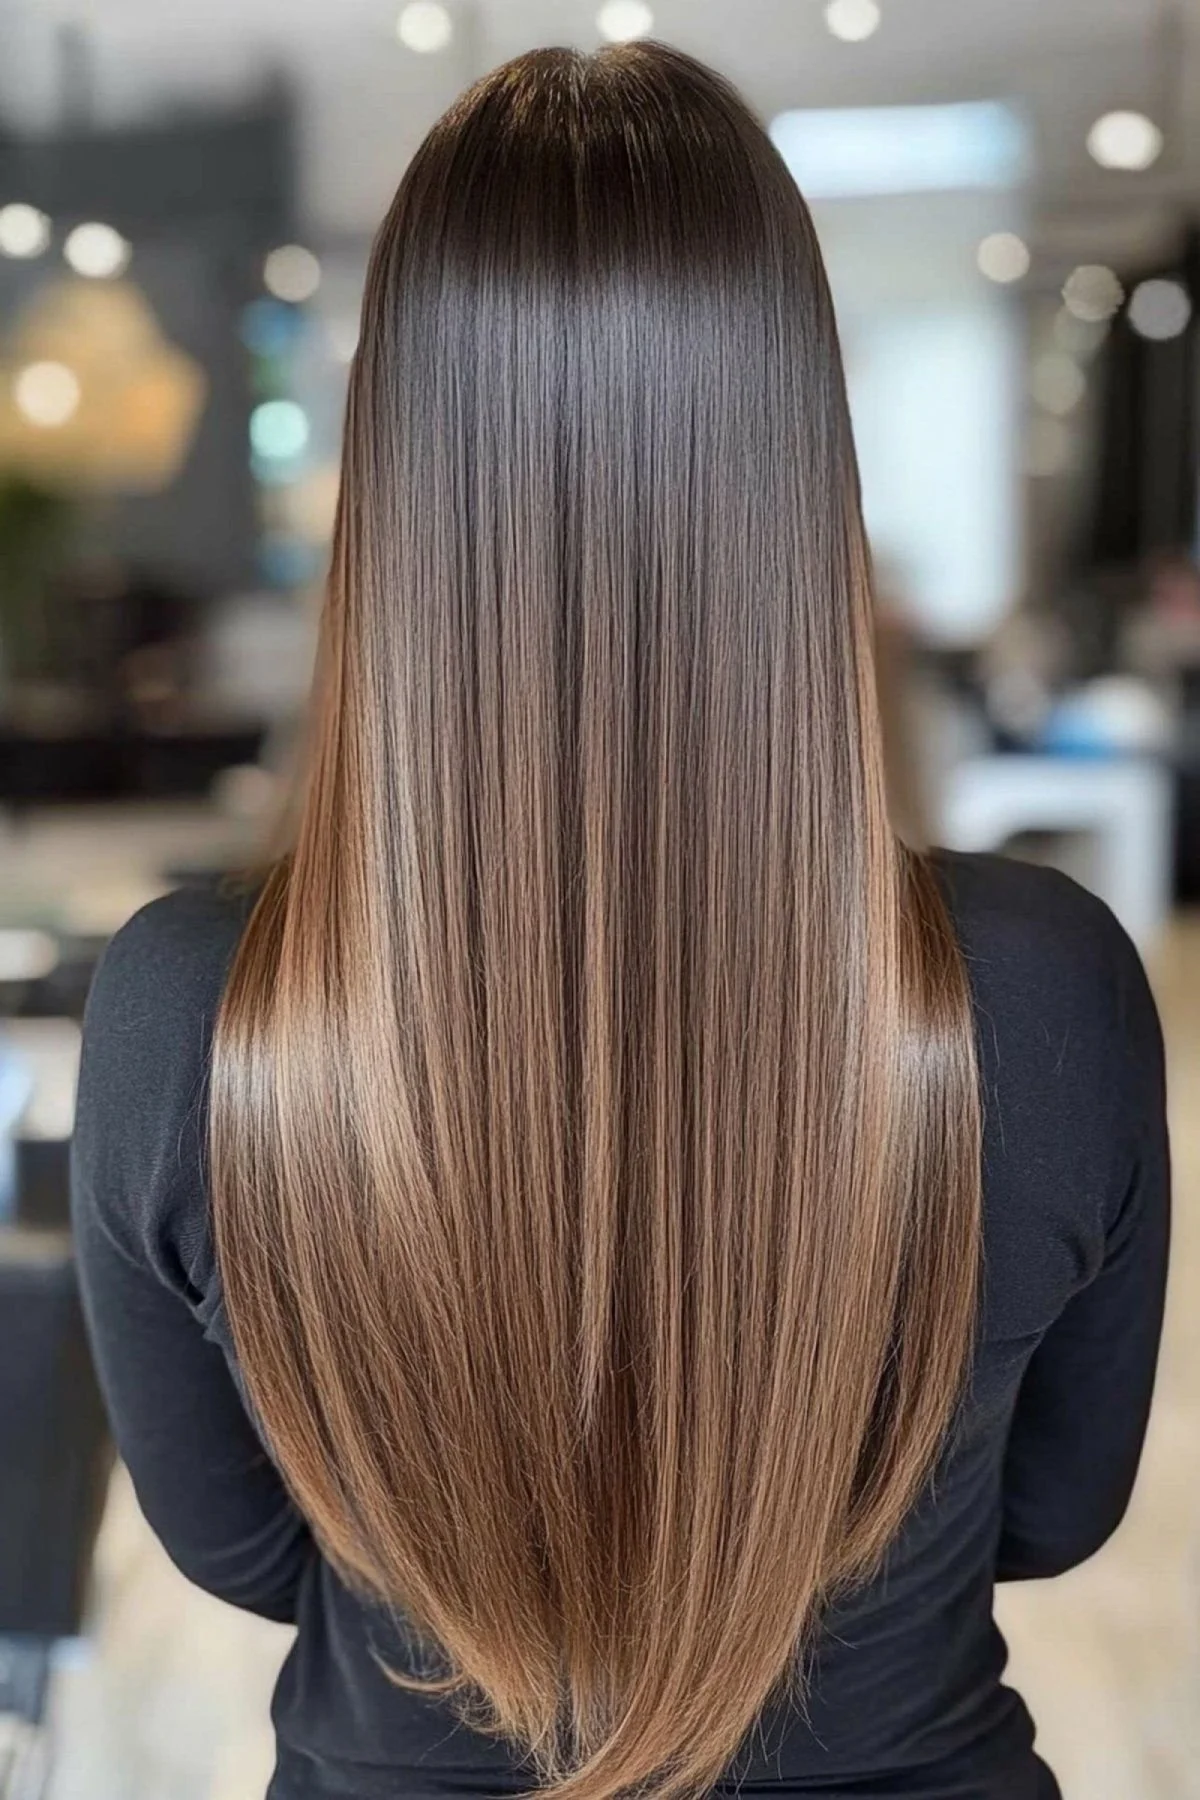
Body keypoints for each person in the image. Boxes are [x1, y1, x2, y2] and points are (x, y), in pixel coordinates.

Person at [71, 43, 1169, 1800]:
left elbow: (244, 1556)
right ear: (801, 456)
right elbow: (1049, 1518)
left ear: (398, 469)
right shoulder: (1037, 988)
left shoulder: (188, 1010)